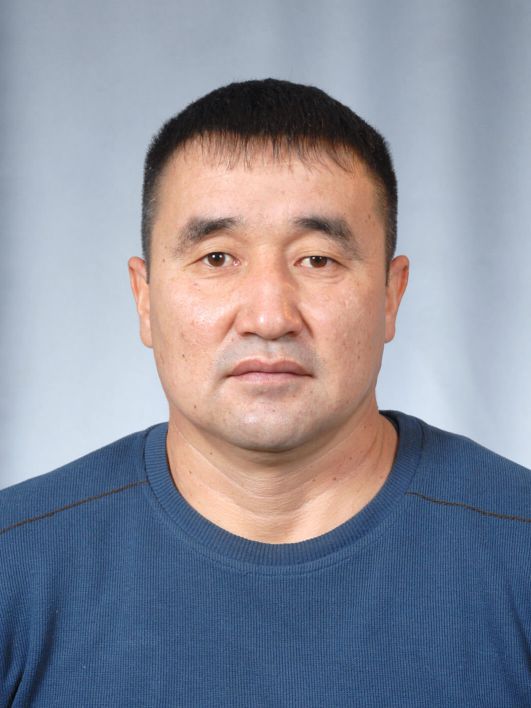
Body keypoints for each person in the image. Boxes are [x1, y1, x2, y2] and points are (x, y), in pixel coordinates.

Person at [1, 79, 530, 706]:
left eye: (318, 260)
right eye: (217, 258)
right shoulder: (16, 560)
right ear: (144, 298)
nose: (269, 317)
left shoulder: (516, 550)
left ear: (392, 295)